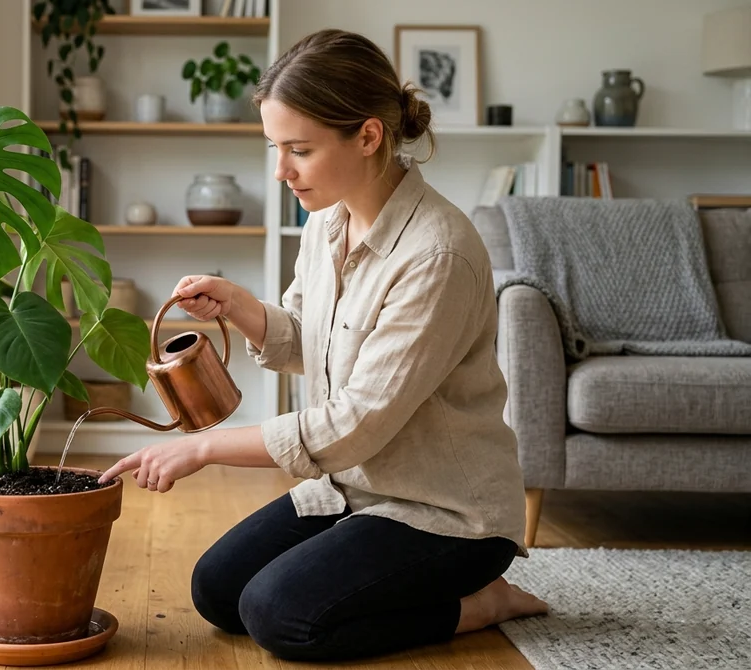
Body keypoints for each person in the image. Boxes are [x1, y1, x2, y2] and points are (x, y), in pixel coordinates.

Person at [96, 29, 549, 662]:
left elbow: (352, 426)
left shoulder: (437, 255)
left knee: (280, 617)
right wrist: (244, 308)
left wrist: (204, 447)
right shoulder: (327, 221)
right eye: (274, 147)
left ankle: (483, 601)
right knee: (217, 592)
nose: (281, 171)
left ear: (367, 136)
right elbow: (310, 339)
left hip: (446, 513)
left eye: (299, 150)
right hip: (352, 491)